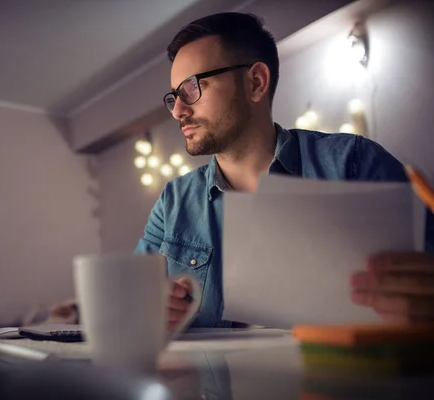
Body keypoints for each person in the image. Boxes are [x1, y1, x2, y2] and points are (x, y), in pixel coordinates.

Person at [134, 12, 434, 330]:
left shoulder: (353, 164)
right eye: (174, 96)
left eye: (193, 87)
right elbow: (134, 306)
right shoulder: (173, 203)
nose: (179, 110)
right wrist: (150, 310)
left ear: (256, 82)